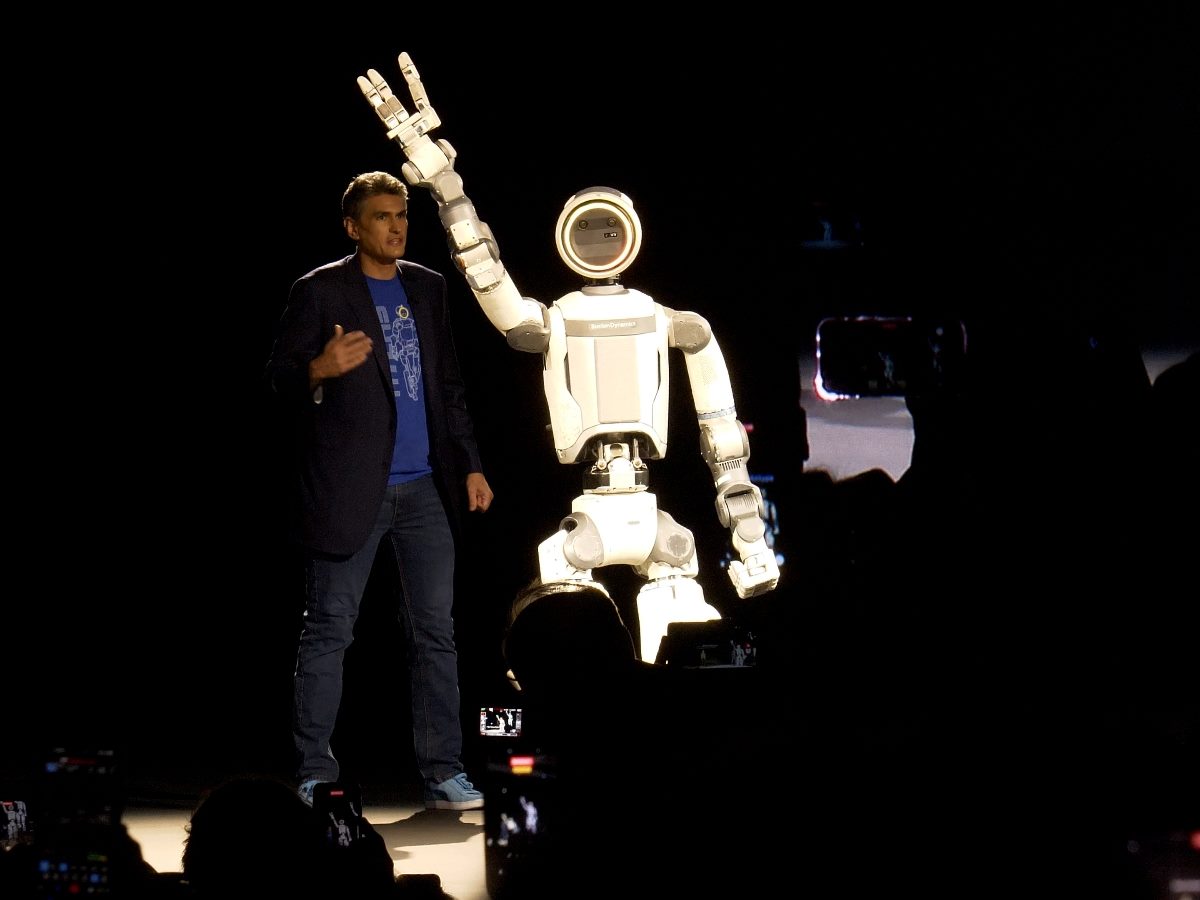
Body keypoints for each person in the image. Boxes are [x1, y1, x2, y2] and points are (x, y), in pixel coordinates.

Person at [265, 170, 494, 812]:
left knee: (436, 634)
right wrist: (317, 368)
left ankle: (444, 770)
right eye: (383, 217)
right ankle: (314, 773)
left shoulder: (428, 287)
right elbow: (278, 378)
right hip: (349, 491)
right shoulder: (319, 292)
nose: (396, 226)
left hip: (427, 489)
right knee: (330, 630)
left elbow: (448, 384)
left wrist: (470, 464)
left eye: (402, 216)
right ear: (353, 226)